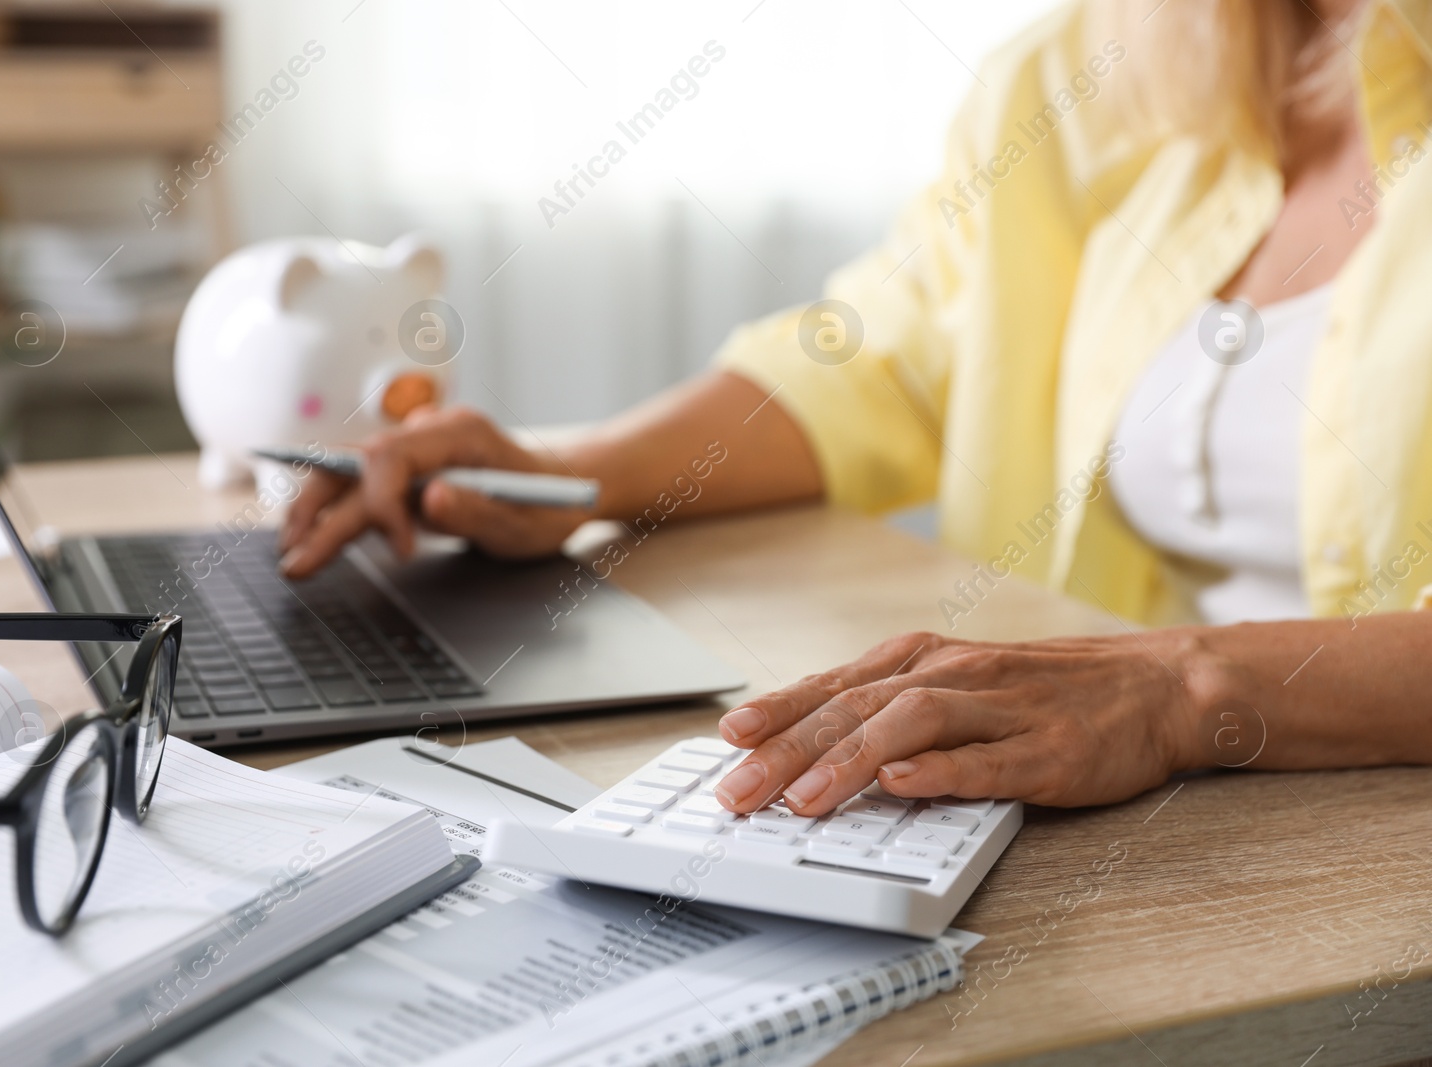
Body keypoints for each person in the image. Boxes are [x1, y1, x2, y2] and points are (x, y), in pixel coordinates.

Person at [280, 0, 1432, 815]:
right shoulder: (1087, 67)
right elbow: (888, 355)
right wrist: (566, 473)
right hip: (1157, 812)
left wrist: (1176, 688)